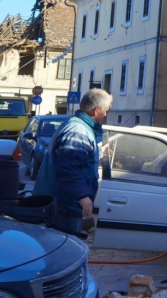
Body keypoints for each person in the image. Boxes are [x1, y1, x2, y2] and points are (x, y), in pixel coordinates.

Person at [34, 88, 112, 237]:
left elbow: (74, 157)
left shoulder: (76, 125)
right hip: (63, 206)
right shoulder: (78, 131)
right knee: (64, 251)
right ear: (97, 110)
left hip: (60, 203)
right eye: (106, 110)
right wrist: (82, 196)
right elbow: (68, 169)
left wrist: (97, 152)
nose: (106, 114)